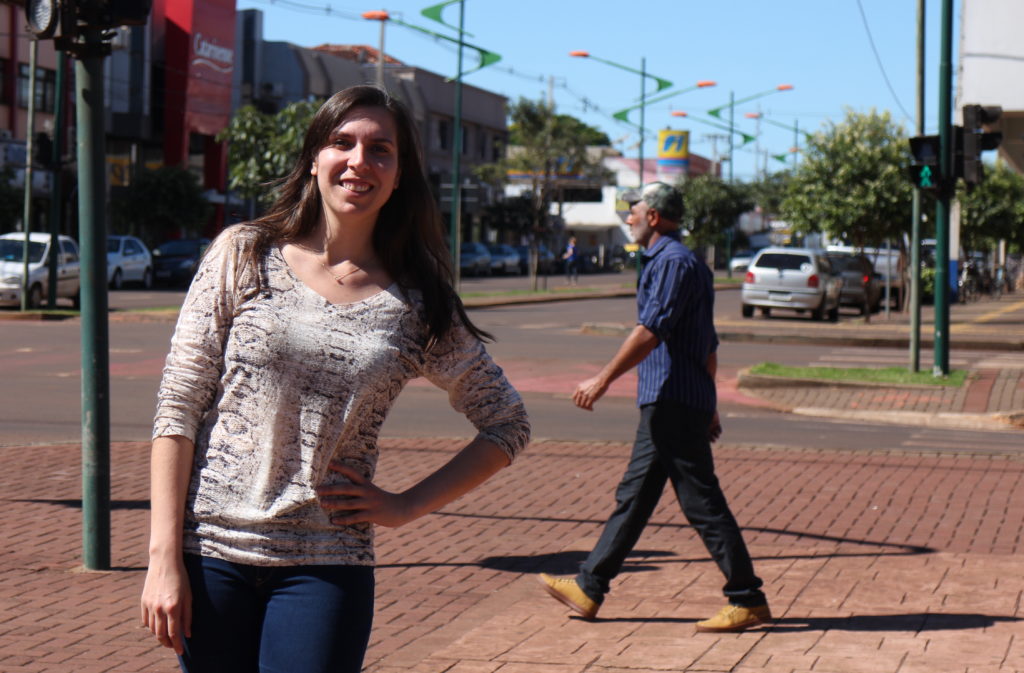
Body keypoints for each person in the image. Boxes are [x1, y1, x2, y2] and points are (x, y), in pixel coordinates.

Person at [140, 85, 530, 673]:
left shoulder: (417, 302)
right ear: (314, 159)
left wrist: (405, 506)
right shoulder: (243, 254)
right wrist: (162, 557)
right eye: (341, 142)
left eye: (381, 149)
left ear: (400, 175)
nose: (359, 161)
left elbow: (506, 422)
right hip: (211, 552)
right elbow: (179, 406)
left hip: (328, 564)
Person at [537, 182, 769, 632]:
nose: (628, 218)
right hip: (680, 399)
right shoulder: (690, 264)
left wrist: (602, 379)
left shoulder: (672, 263)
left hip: (672, 400)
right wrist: (712, 404)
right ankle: (590, 586)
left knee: (701, 501)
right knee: (636, 496)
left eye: (633, 210)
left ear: (655, 217)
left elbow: (650, 330)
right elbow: (708, 344)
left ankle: (747, 597)